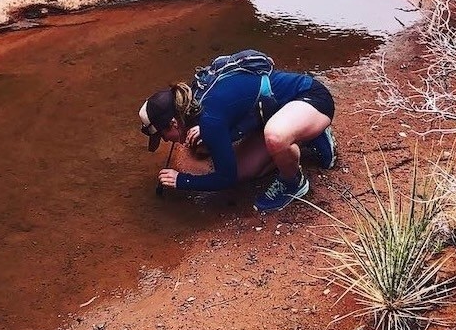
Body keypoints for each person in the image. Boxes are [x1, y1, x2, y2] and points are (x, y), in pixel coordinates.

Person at [138, 54, 336, 212]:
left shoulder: (210, 120)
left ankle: (294, 183)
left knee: (275, 137)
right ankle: (304, 135)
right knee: (243, 170)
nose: (166, 140)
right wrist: (206, 135)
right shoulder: (194, 103)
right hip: (275, 113)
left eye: (163, 136)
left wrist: (182, 180)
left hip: (310, 97)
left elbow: (226, 178)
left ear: (173, 123)